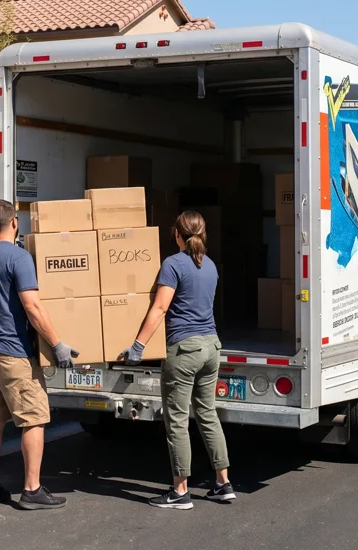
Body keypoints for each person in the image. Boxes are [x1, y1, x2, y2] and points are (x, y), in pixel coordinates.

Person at [117, 210, 233, 509]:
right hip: (211, 346)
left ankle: (180, 492)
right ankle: (223, 483)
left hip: (184, 350)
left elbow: (159, 308)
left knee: (177, 422)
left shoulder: (172, 264)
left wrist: (138, 346)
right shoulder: (210, 266)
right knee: (208, 414)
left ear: (177, 234)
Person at [0, 199, 79, 510]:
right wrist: (57, 344)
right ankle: (31, 488)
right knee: (33, 419)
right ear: (14, 223)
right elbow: (32, 306)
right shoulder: (19, 257)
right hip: (12, 352)